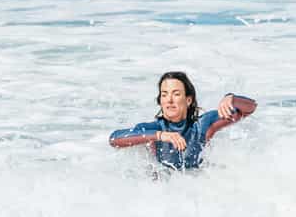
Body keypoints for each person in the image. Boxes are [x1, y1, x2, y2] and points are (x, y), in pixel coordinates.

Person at [109, 71, 256, 170]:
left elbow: (249, 108)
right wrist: (160, 135)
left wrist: (231, 99)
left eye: (176, 94)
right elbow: (114, 139)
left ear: (188, 100)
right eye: (164, 94)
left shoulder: (202, 126)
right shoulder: (154, 129)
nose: (169, 100)